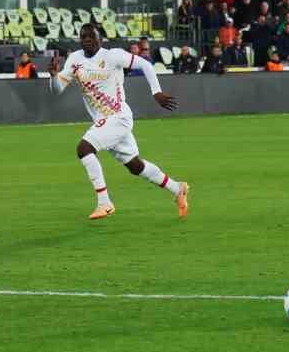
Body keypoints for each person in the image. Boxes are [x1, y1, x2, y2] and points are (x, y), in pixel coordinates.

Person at [49, 23, 190, 221]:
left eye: (91, 36)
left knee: (84, 149)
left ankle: (104, 203)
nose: (87, 39)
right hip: (104, 121)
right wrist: (54, 76)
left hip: (118, 117)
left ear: (100, 39)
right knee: (135, 166)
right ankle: (177, 188)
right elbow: (57, 89)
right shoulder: (74, 60)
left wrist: (156, 91)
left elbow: (146, 65)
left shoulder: (113, 55)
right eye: (83, 36)